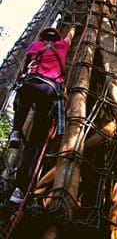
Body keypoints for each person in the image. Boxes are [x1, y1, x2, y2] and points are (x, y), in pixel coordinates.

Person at [7, 26, 73, 204]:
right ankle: (20, 190)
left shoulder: (35, 46)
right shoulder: (63, 46)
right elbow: (69, 39)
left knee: (21, 102)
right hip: (49, 89)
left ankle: (16, 130)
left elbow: (24, 66)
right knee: (36, 140)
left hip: (30, 84)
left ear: (43, 38)